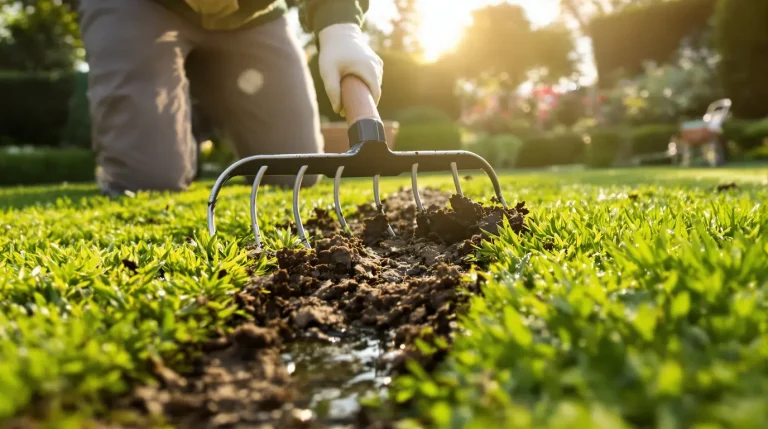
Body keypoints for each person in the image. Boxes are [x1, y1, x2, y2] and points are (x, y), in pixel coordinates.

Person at [77, 0, 383, 195]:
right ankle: (168, 125)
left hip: (251, 16)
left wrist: (341, 28)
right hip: (140, 7)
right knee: (146, 182)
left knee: (295, 173)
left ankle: (201, 107)